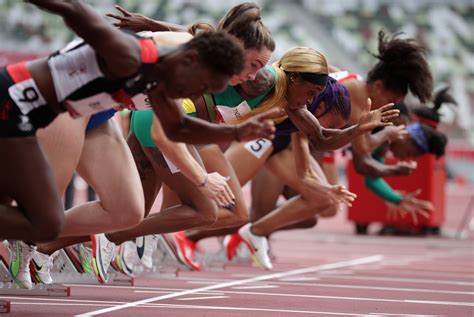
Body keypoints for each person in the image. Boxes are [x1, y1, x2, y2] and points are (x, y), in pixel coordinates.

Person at [1, 0, 276, 288]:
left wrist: (236, 133)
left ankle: (28, 239)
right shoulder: (143, 55)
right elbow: (77, 12)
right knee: (42, 217)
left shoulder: (172, 72)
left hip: (96, 110)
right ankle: (28, 239)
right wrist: (203, 179)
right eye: (202, 87)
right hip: (53, 104)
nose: (195, 94)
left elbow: (177, 126)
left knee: (128, 212)